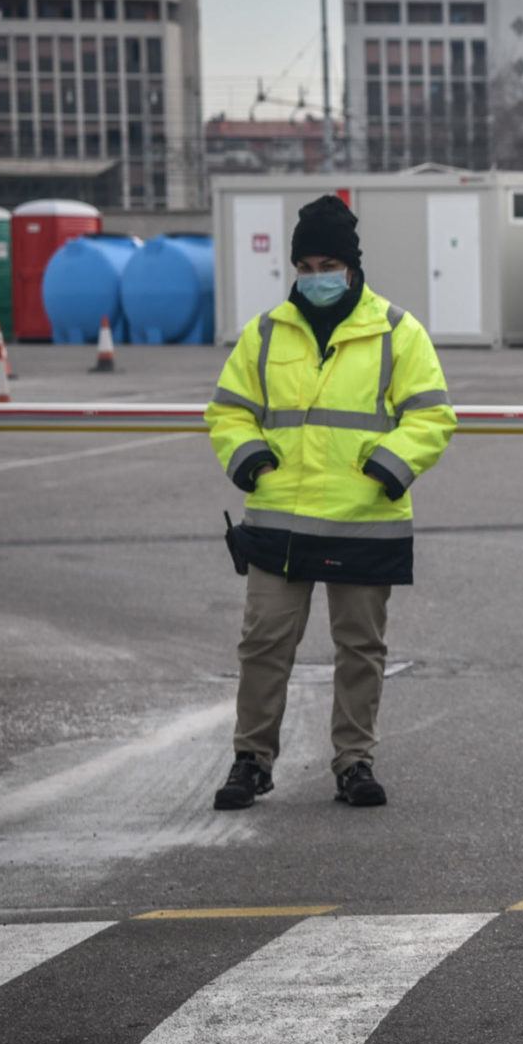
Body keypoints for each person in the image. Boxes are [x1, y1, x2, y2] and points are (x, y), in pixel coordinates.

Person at [203, 195, 457, 810]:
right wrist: (249, 460)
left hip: (363, 521)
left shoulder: (398, 332)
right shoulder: (264, 334)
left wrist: (388, 469)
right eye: (306, 264)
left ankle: (353, 762)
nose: (316, 276)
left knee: (361, 650)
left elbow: (431, 416)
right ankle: (251, 760)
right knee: (263, 645)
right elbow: (229, 411)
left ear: (351, 265)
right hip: (278, 522)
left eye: (328, 263)